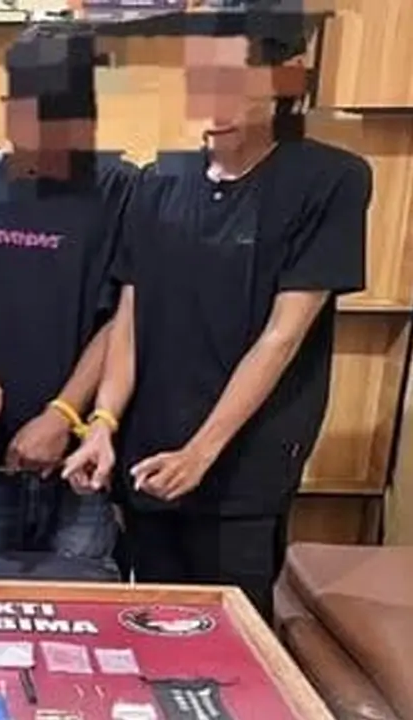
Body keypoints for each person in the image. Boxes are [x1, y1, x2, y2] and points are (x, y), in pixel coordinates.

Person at [63, 3, 372, 619]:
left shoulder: (330, 180)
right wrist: (102, 423)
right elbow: (131, 317)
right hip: (150, 454)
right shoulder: (159, 181)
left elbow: (282, 337)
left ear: (287, 75)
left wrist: (200, 453)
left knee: (231, 633)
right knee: (149, 622)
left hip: (240, 467)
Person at [0, 21, 134, 567]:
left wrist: (62, 415)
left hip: (81, 452)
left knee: (75, 603)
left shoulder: (121, 187)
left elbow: (123, 317)